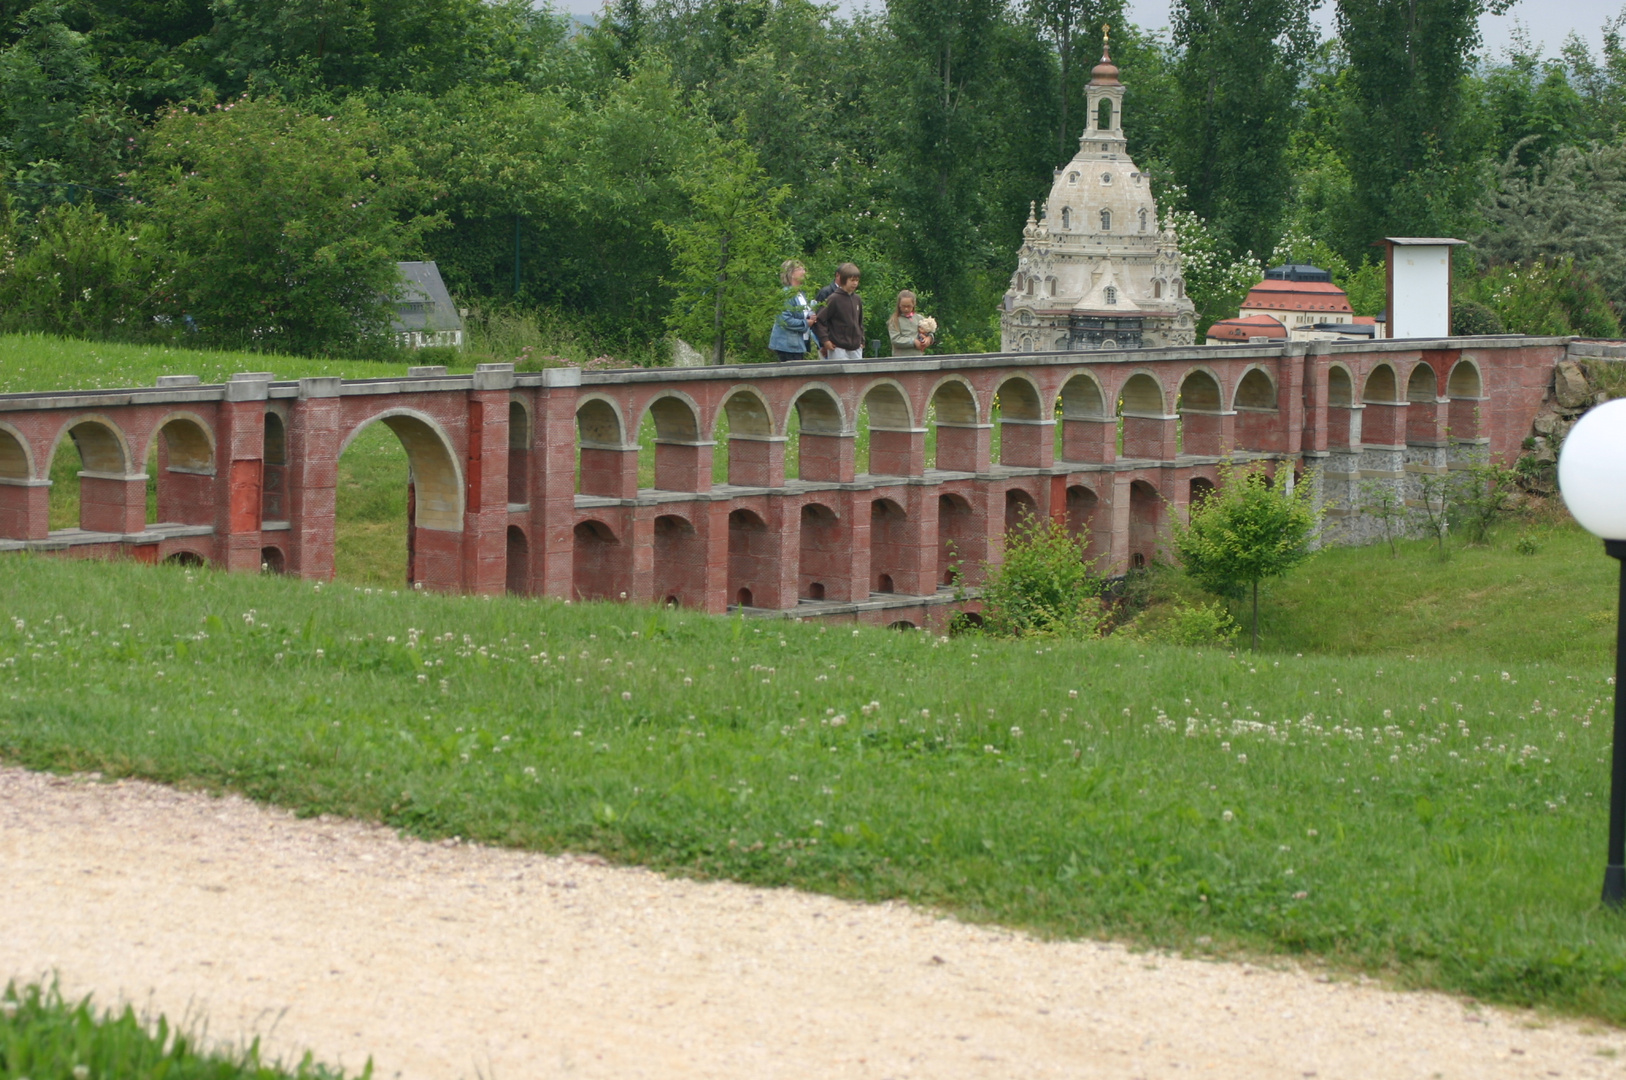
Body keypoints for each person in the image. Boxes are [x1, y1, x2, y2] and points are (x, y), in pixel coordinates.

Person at [813, 263, 865, 360]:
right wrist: (825, 340)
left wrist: (862, 340)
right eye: (852, 280)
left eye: (857, 280)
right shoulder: (834, 298)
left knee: (857, 374)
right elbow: (819, 320)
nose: (855, 283)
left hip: (856, 348)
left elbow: (859, 322)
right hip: (838, 348)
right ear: (844, 280)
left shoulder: (857, 299)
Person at [768, 260, 814, 362]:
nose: (804, 272)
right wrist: (806, 323)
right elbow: (785, 319)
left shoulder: (800, 293)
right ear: (790, 273)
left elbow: (803, 313)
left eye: (804, 269)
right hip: (787, 345)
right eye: (800, 269)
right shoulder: (786, 294)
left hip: (798, 344)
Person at [887, 289, 934, 357]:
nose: (906, 309)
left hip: (918, 357)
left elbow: (929, 331)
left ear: (913, 305)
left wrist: (929, 338)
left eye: (908, 306)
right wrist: (913, 342)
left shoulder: (919, 318)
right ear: (899, 305)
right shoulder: (894, 320)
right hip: (900, 358)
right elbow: (895, 340)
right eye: (903, 306)